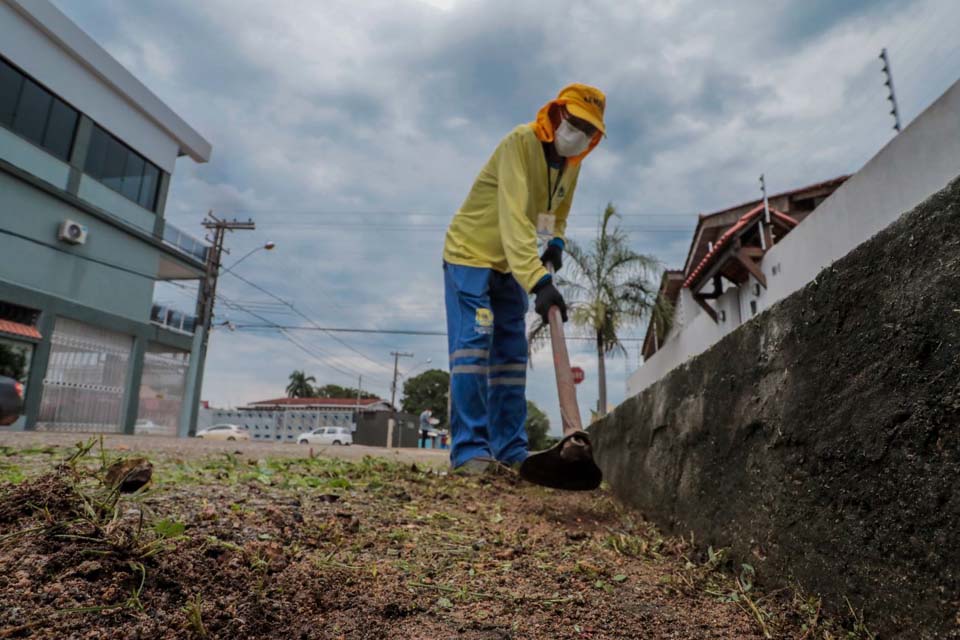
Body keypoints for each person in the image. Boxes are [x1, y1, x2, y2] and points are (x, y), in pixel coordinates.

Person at [442, 83, 606, 471]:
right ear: (557, 113)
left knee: (512, 356)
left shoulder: (572, 162)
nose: (578, 134)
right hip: (470, 255)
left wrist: (556, 244)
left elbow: (556, 213)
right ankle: (469, 452)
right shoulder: (520, 143)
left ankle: (510, 451)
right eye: (575, 122)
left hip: (510, 264)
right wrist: (540, 282)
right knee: (473, 348)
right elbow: (515, 219)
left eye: (588, 128)